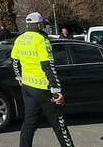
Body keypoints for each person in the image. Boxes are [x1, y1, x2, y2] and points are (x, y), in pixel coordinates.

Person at [11, 12, 74, 147]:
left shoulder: (19, 39)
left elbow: (15, 61)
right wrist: (57, 90)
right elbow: (48, 66)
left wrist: (19, 77)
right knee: (59, 124)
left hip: (27, 87)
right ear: (39, 25)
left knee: (29, 123)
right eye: (42, 24)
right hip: (44, 89)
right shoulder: (41, 40)